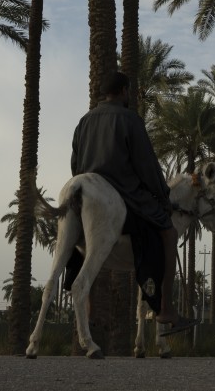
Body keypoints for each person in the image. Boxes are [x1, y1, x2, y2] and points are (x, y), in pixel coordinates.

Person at [71, 70, 196, 335]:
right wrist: (162, 197)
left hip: (86, 192)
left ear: (104, 93)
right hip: (127, 195)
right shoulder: (130, 119)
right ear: (125, 91)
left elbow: (76, 166)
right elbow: (147, 166)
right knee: (169, 233)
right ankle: (165, 309)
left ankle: (81, 297)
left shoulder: (83, 122)